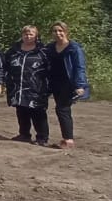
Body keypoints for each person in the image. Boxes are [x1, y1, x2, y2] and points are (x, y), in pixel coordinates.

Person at [45, 21, 88, 149]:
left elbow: (79, 67)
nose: (58, 33)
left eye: (60, 31)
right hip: (54, 82)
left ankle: (68, 139)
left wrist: (80, 85)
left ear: (66, 32)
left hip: (68, 83)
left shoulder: (74, 48)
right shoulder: (50, 47)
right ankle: (65, 137)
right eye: (55, 31)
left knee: (62, 109)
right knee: (61, 109)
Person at [5, 25, 50, 146]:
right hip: (18, 86)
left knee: (38, 112)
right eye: (25, 34)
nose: (28, 36)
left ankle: (42, 137)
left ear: (36, 36)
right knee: (21, 110)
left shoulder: (43, 51)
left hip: (37, 87)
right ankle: (24, 134)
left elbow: (50, 69)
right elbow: (6, 65)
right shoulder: (14, 50)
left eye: (31, 34)